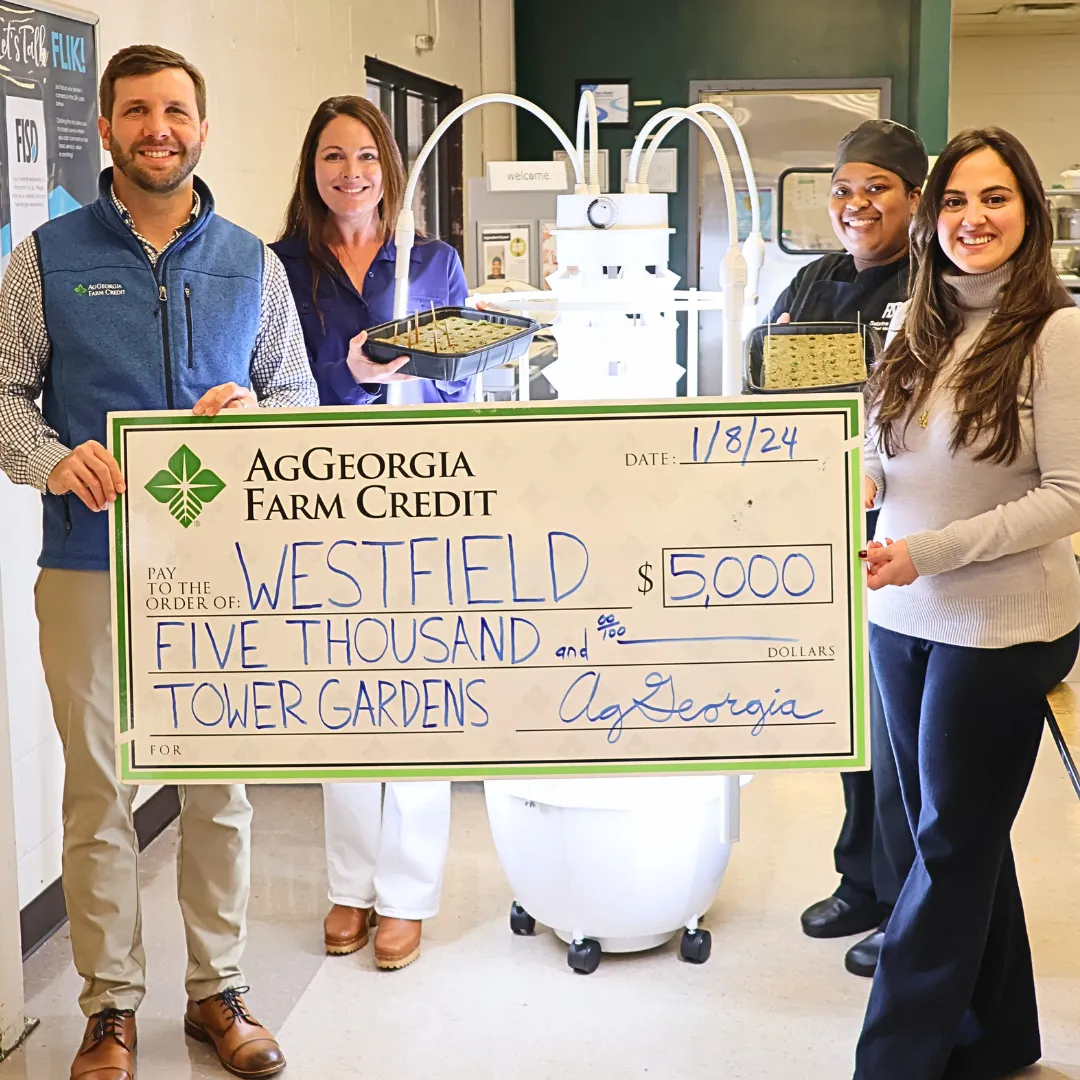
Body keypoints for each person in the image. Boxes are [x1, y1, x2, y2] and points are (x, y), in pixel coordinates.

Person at [0, 45, 318, 1080]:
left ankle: (217, 993)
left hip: (217, 576)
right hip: (90, 566)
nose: (158, 128)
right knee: (99, 795)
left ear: (202, 128)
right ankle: (109, 1010)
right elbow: (3, 397)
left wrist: (257, 414)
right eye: (137, 111)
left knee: (217, 793)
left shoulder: (250, 262)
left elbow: (300, 401)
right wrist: (53, 459)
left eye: (176, 110)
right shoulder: (45, 257)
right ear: (105, 128)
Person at [855, 127, 1080, 1080]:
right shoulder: (920, 325)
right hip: (901, 618)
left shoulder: (1056, 332)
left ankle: (892, 1063)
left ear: (1027, 214)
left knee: (946, 852)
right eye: (954, 200)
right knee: (952, 834)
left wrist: (930, 552)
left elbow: (1068, 494)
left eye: (994, 199)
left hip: (1001, 622)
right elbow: (886, 455)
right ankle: (1001, 1040)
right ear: (931, 216)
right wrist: (845, 489)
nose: (971, 218)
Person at [271, 96, 473, 972]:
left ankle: (408, 896)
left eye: (365, 156)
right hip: (322, 503)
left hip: (423, 497)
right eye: (332, 157)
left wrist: (426, 372)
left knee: (420, 693)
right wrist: (348, 378)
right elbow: (268, 378)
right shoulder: (279, 266)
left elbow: (463, 380)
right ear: (311, 170)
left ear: (389, 167)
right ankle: (350, 887)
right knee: (343, 697)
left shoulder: (434, 262)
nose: (350, 172)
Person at [769, 119, 926, 977]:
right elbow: (768, 375)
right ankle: (860, 881)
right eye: (843, 190)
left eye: (877, 190)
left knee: (898, 726)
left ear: (913, 199)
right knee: (849, 717)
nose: (856, 206)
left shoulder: (932, 285)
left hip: (901, 523)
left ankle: (906, 903)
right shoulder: (813, 279)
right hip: (823, 517)